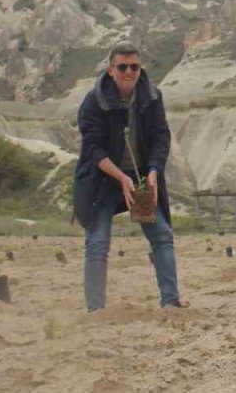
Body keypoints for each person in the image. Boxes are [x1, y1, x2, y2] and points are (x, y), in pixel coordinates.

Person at [73, 41, 185, 310]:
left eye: (134, 66)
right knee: (97, 243)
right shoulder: (93, 101)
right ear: (111, 70)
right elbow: (93, 149)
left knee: (162, 235)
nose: (129, 72)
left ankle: (171, 303)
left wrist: (154, 171)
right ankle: (96, 311)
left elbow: (161, 137)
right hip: (102, 180)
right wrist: (119, 178)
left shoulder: (153, 97)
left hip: (141, 178)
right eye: (122, 67)